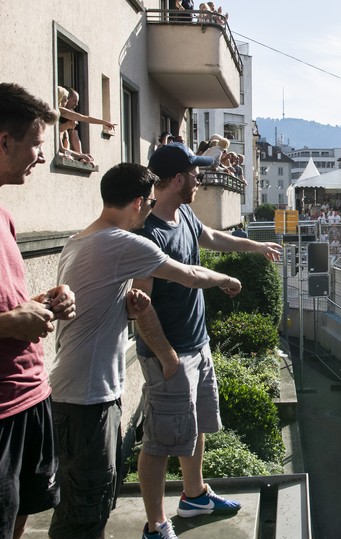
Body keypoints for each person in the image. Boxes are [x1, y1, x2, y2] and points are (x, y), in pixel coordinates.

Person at [48, 163, 242, 539]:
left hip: (72, 390)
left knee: (83, 502)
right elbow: (189, 274)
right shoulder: (121, 242)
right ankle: (156, 526)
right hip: (87, 396)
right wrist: (227, 279)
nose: (151, 210)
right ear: (138, 202)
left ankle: (192, 495)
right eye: (149, 203)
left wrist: (126, 305)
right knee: (86, 509)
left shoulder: (78, 240)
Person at [133, 143, 282, 539]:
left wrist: (256, 247)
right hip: (170, 354)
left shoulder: (182, 213)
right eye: (196, 174)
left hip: (196, 345)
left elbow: (214, 237)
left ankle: (195, 495)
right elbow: (140, 305)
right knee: (159, 441)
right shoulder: (147, 234)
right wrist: (166, 357)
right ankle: (156, 524)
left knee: (195, 423)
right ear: (178, 179)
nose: (201, 179)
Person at [0, 82, 76, 539]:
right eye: (36, 144)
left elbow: (10, 302)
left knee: (21, 517)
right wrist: (9, 323)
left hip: (30, 396)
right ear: (4, 141)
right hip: (3, 407)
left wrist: (42, 301)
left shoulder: (4, 214)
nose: (42, 157)